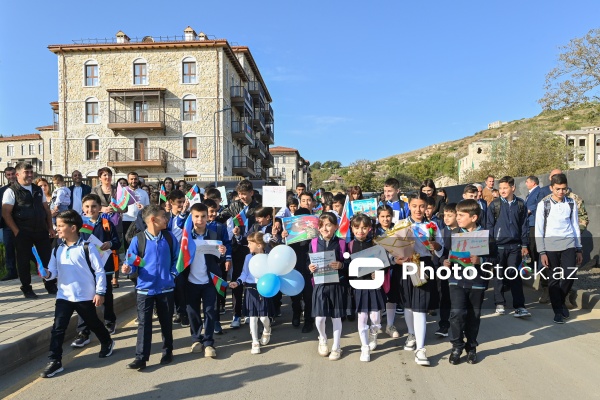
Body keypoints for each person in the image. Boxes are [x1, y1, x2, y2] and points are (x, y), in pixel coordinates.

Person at [40, 210, 115, 378]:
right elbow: (52, 272)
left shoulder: (87, 247)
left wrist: (100, 292)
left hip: (84, 296)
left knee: (94, 323)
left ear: (73, 228)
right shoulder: (57, 249)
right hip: (64, 296)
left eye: (60, 226)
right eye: (56, 225)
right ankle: (55, 360)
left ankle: (107, 341)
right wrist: (46, 274)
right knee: (57, 329)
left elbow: (99, 271)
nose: (57, 228)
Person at [122, 205, 179, 370]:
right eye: (163, 216)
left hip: (165, 289)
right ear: (153, 219)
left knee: (166, 322)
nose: (166, 219)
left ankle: (167, 351)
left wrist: (172, 275)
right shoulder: (138, 240)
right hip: (144, 290)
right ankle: (141, 357)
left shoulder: (169, 238)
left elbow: (177, 259)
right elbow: (131, 263)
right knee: (144, 324)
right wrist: (128, 269)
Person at [397, 192, 443, 366]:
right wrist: (398, 258)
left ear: (427, 207)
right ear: (409, 206)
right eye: (414, 206)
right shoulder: (401, 225)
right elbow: (393, 248)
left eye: (422, 206)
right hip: (407, 265)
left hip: (423, 265)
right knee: (408, 304)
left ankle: (421, 349)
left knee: (420, 307)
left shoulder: (432, 226)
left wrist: (435, 245)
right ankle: (411, 334)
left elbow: (440, 247)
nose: (418, 209)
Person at [71, 194, 121, 348]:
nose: (90, 209)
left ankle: (109, 321)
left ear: (100, 208)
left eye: (94, 206)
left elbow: (117, 242)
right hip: (86, 268)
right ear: (82, 209)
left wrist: (109, 243)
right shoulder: (80, 225)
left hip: (104, 266)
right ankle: (83, 332)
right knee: (84, 300)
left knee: (105, 295)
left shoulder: (106, 223)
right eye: (87, 207)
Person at [2, 162, 57, 297]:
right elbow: (6, 213)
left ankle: (50, 284)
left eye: (31, 172)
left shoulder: (37, 189)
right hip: (23, 232)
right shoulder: (11, 191)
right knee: (24, 261)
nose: (30, 175)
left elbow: (46, 209)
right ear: (18, 174)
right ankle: (26, 288)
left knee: (47, 258)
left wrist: (50, 227)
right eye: (27, 172)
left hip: (41, 230)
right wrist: (16, 231)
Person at [445, 200, 489, 365]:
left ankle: (471, 347)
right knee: (456, 313)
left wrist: (481, 259)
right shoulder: (454, 233)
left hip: (477, 281)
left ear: (474, 217)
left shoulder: (485, 235)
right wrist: (445, 262)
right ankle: (456, 346)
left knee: (473, 315)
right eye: (457, 214)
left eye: (461, 215)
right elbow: (447, 254)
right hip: (456, 279)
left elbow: (494, 259)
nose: (458, 218)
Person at [535, 173, 581, 324]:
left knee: (569, 275)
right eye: (558, 189)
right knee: (554, 279)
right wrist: (542, 251)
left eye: (564, 189)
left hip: (569, 244)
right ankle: (558, 310)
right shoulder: (544, 204)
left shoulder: (571, 203)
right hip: (550, 246)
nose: (561, 192)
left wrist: (579, 248)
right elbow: (539, 229)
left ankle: (560, 301)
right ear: (551, 188)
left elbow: (575, 226)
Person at [183, 203, 226, 358]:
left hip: (210, 281)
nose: (200, 220)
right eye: (196, 216)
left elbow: (218, 260)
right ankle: (196, 339)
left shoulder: (214, 235)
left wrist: (222, 253)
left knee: (210, 310)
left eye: (203, 216)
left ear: (208, 217)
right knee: (192, 311)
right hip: (190, 280)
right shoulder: (186, 236)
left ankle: (208, 342)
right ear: (192, 217)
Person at [486, 176, 530, 318]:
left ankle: (520, 306)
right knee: (498, 275)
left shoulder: (521, 205)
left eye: (505, 188)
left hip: (515, 246)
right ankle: (500, 303)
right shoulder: (495, 205)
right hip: (498, 246)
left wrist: (524, 244)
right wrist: (490, 245)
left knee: (514, 276)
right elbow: (489, 226)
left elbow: (524, 226)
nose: (502, 191)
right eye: (501, 188)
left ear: (513, 188)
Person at [218, 179, 259, 328]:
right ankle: (236, 314)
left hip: (254, 249)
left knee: (251, 281)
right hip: (237, 249)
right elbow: (221, 217)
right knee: (237, 281)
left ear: (251, 193)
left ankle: (250, 312)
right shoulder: (234, 206)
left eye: (244, 194)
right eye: (240, 194)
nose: (242, 197)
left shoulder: (258, 208)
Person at [308, 212, 347, 361]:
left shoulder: (342, 243)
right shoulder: (313, 243)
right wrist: (309, 267)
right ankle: (322, 338)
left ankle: (337, 347)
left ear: (336, 227)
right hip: (319, 284)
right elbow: (308, 261)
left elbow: (348, 263)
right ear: (318, 227)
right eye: (322, 225)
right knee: (319, 317)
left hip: (337, 285)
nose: (325, 228)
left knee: (336, 317)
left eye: (329, 225)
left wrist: (341, 265)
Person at [229, 232, 273, 354]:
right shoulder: (248, 257)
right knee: (252, 317)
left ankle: (267, 329)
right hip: (250, 288)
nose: (248, 245)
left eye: (250, 243)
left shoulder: (268, 257)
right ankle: (255, 341)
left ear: (259, 245)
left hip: (264, 289)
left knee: (264, 317)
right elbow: (244, 273)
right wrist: (237, 282)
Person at [349, 213, 385, 362]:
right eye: (357, 228)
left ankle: (374, 334)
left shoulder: (375, 244)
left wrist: (378, 272)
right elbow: (345, 265)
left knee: (375, 317)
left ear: (369, 228)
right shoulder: (349, 245)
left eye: (364, 228)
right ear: (352, 229)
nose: (360, 231)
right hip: (359, 286)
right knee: (362, 317)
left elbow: (383, 262)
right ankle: (364, 347)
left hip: (374, 286)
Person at [91, 167, 123, 288]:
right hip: (100, 223)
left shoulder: (117, 190)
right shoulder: (94, 190)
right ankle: (100, 273)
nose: (107, 177)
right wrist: (102, 209)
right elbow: (90, 205)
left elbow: (124, 207)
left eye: (109, 175)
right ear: (100, 177)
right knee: (100, 247)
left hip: (115, 223)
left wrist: (114, 208)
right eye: (104, 175)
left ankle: (115, 277)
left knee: (114, 249)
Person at [205, 198, 232, 333]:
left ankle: (216, 322)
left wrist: (227, 258)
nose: (213, 214)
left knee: (215, 293)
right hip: (198, 267)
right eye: (211, 211)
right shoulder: (194, 227)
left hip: (215, 265)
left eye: (215, 211)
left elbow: (227, 243)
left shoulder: (220, 227)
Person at [375, 205, 401, 339]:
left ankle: (390, 325)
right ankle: (377, 324)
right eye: (382, 216)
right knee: (378, 297)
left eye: (388, 216)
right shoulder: (373, 232)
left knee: (392, 297)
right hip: (379, 269)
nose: (385, 219)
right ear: (378, 217)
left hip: (394, 269)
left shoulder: (397, 230)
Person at [435, 202, 458, 337]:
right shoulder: (441, 232)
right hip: (445, 271)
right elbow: (438, 252)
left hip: (460, 270)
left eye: (450, 215)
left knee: (457, 299)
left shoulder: (463, 232)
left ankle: (458, 325)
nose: (447, 218)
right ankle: (443, 324)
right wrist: (442, 260)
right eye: (445, 215)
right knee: (444, 297)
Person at [0, 167, 18, 281]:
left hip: (21, 222)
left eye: (12, 174)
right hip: (7, 224)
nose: (11, 177)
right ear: (6, 176)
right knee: (9, 247)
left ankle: (38, 266)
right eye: (8, 175)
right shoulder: (2, 190)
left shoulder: (22, 188)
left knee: (25, 247)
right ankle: (11, 271)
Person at [525, 175, 544, 273]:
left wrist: (530, 210)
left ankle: (536, 264)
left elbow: (539, 203)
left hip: (534, 221)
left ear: (533, 183)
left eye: (527, 181)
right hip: (529, 222)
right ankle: (533, 262)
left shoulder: (538, 191)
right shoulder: (530, 193)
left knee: (534, 244)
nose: (526, 183)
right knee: (530, 244)